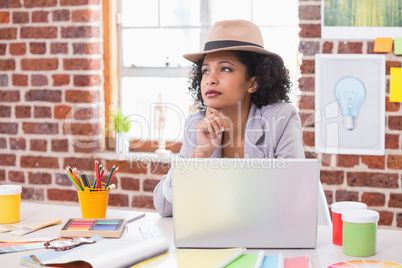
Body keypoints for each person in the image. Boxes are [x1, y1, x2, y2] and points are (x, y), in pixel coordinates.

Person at [153, 20, 305, 217]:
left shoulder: (281, 119)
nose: (210, 79)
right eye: (205, 70)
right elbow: (164, 207)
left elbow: (296, 197)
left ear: (253, 82)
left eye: (225, 69)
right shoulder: (196, 125)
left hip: (266, 241)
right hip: (214, 240)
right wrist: (199, 155)